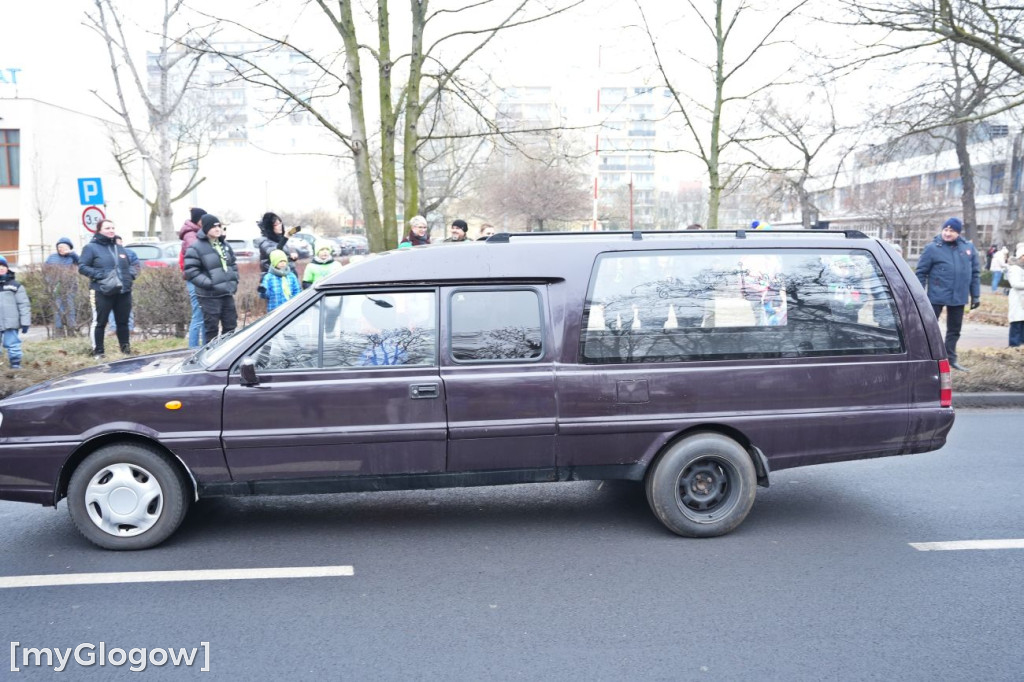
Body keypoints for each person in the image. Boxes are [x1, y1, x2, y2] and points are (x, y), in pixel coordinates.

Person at [915, 217, 980, 371]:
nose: (948, 233)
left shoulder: (968, 248)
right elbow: (921, 272)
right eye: (946, 229)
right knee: (928, 327)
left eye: (952, 231)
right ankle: (925, 358)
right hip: (936, 295)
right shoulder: (932, 248)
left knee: (955, 329)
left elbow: (975, 273)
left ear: (958, 232)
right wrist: (919, 295)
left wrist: (975, 295)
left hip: (959, 296)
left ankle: (951, 358)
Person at [78, 219, 136, 357]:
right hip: (102, 290)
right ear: (99, 230)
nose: (111, 230)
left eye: (112, 228)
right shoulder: (91, 248)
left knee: (123, 322)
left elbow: (130, 264)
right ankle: (99, 352)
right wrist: (100, 275)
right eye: (107, 228)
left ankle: (125, 351)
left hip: (123, 290)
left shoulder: (119, 247)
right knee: (100, 322)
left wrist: (131, 275)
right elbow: (82, 267)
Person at [184, 214, 239, 342]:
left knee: (231, 326)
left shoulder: (224, 245)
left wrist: (234, 279)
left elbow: (233, 264)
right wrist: (210, 283)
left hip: (226, 292)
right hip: (209, 295)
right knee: (211, 328)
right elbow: (191, 271)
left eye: (218, 226)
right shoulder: (195, 247)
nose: (217, 229)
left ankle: (227, 354)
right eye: (214, 227)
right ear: (206, 228)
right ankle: (210, 356)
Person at [178, 207, 206, 348]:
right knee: (199, 314)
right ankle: (193, 349)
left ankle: (204, 347)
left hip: (198, 277)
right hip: (194, 278)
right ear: (198, 220)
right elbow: (199, 254)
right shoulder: (191, 235)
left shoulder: (196, 233)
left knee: (202, 314)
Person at [0, 256, 31, 370]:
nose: (1, 268)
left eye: (3, 266)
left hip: (11, 322)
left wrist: (25, 322)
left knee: (13, 343)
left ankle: (15, 364)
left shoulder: (15, 285)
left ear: (7, 268)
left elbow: (23, 305)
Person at [44, 237, 80, 333]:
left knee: (70, 308)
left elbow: (81, 263)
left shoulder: (73, 257)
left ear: (69, 247)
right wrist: (49, 282)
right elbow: (45, 270)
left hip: (70, 287)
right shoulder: (52, 257)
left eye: (63, 247)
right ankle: (59, 330)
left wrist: (71, 253)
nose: (61, 249)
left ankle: (71, 329)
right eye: (59, 247)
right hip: (56, 287)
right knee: (58, 309)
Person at [1008, 243, 1024, 347]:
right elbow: (1015, 283)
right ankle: (1014, 346)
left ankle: (1021, 346)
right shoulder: (1014, 268)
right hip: (1017, 299)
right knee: (1016, 323)